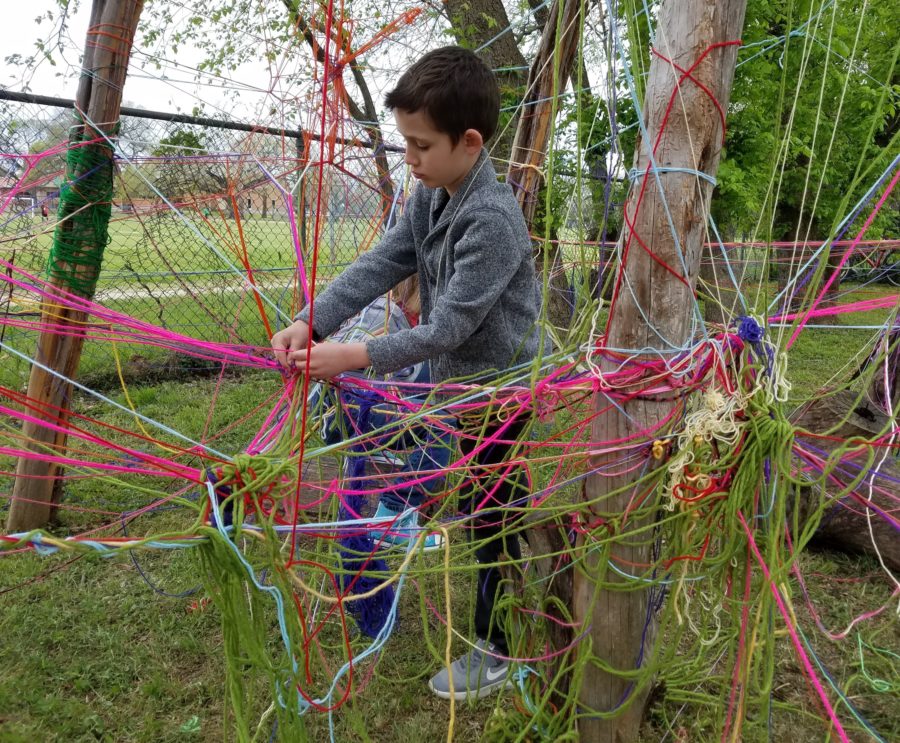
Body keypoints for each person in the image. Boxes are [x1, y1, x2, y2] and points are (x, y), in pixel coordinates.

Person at [271, 46, 541, 701]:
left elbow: (448, 328)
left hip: (498, 390)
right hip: (456, 383)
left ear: (469, 141)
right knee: (467, 490)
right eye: (406, 143)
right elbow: (381, 263)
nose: (410, 159)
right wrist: (313, 321)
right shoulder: (432, 194)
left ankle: (500, 646)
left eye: (420, 145)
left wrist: (354, 355)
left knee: (491, 514)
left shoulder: (492, 219)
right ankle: (411, 517)